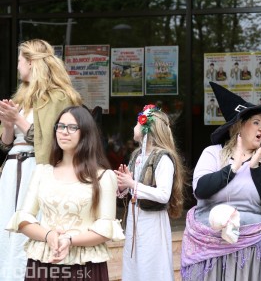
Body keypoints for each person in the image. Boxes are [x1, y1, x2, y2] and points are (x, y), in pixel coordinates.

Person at [6, 105, 124, 280]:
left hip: (85, 266)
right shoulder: (42, 172)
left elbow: (105, 229)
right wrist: (49, 235)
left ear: (86, 133)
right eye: (60, 126)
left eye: (72, 127)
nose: (64, 132)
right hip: (44, 262)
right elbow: (23, 219)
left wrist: (70, 240)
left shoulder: (103, 177)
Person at [181, 82, 261, 281]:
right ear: (239, 126)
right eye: (256, 122)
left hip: (254, 248)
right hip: (211, 246)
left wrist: (255, 169)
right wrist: (233, 168)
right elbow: (200, 190)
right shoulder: (213, 154)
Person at [0, 39, 82, 281]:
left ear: (31, 62)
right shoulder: (22, 96)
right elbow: (6, 143)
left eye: (19, 62)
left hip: (39, 169)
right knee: (7, 225)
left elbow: (54, 141)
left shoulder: (58, 97)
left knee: (33, 223)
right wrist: (7, 123)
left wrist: (20, 121)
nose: (17, 67)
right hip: (13, 169)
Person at [115, 103, 186, 281]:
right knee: (134, 264)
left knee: (152, 265)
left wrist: (132, 184)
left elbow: (163, 194)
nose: (133, 127)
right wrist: (123, 186)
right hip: (135, 219)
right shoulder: (137, 156)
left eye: (136, 124)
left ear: (148, 128)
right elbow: (130, 190)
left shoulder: (163, 158)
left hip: (152, 221)